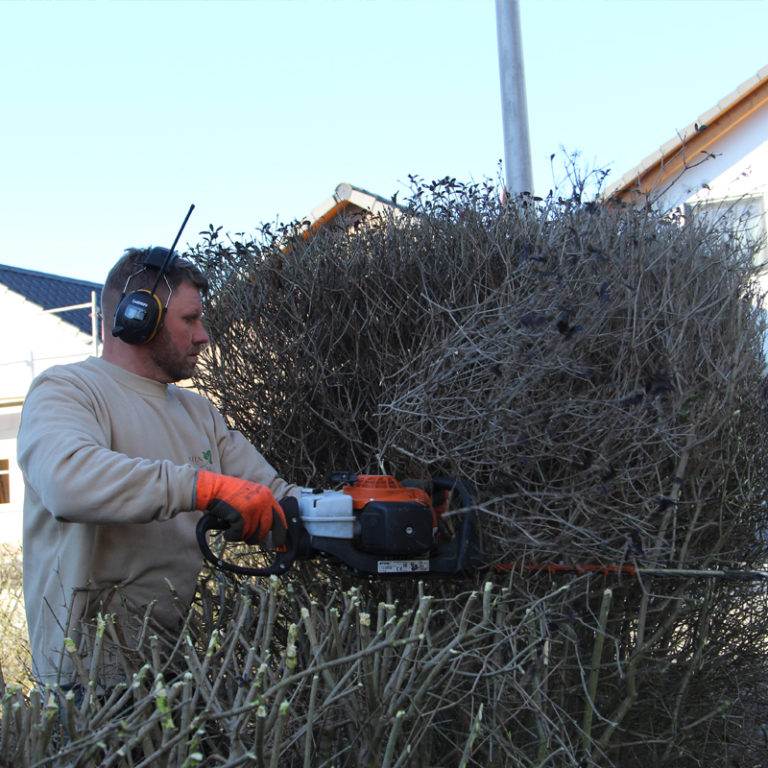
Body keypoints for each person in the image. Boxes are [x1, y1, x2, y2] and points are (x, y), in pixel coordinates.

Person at [17, 247, 298, 688]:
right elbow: (67, 481)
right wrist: (204, 488)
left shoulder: (199, 413)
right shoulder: (66, 390)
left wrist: (373, 507)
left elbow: (276, 497)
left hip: (174, 669)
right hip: (87, 682)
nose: (204, 336)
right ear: (138, 317)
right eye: (190, 320)